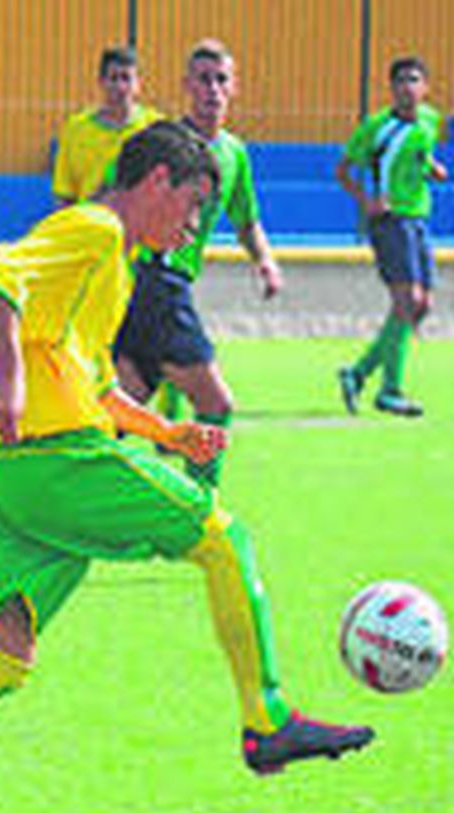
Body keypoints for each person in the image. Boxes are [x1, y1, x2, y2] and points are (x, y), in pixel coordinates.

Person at [0, 121, 373, 813]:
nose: (196, 224)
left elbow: (95, 385)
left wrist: (170, 435)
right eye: (194, 205)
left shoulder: (116, 262)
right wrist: (7, 381)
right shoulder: (95, 228)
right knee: (223, 537)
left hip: (0, 478)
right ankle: (267, 720)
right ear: (158, 181)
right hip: (54, 461)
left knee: (4, 659)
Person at [112, 40, 283, 491]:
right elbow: (119, 196)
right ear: (187, 85)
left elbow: (247, 220)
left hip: (165, 285)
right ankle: (201, 507)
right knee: (215, 402)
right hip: (154, 279)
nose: (213, 89)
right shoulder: (165, 141)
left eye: (221, 79)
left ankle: (64, 493)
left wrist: (265, 262)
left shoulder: (234, 153)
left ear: (235, 87)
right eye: (203, 79)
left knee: (119, 409)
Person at [334, 56, 448, 418]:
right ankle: (390, 391)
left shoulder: (430, 120)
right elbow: (342, 170)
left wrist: (432, 168)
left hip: (418, 218)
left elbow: (419, 154)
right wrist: (366, 200)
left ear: (425, 87)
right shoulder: (376, 127)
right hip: (390, 220)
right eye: (400, 81)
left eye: (414, 80)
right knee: (406, 301)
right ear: (391, 88)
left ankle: (358, 373)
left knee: (422, 304)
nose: (407, 87)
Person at [50, 46, 164, 206]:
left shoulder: (155, 128)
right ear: (101, 82)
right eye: (113, 78)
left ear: (138, 84)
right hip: (91, 223)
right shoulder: (76, 128)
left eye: (126, 78)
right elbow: (65, 194)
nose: (120, 87)